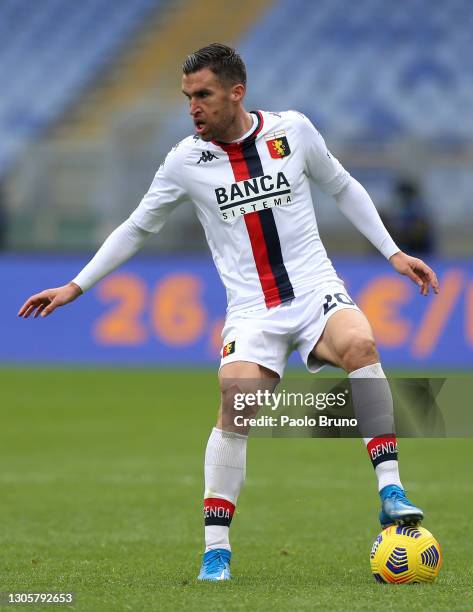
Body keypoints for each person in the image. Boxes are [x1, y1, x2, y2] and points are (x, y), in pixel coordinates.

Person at [18, 43, 439, 582]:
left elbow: (342, 186)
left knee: (361, 344)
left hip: (314, 290)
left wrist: (394, 253)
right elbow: (136, 227)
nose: (192, 107)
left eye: (203, 95)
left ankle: (391, 491)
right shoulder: (184, 162)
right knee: (236, 408)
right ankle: (216, 549)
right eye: (187, 97)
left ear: (236, 92)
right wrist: (76, 286)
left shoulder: (293, 132)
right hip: (252, 311)